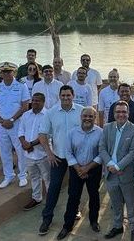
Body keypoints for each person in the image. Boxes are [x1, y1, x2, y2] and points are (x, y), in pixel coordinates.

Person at [37, 85, 84, 235]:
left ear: (73, 96)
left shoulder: (82, 111)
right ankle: (47, 218)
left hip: (77, 158)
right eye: (63, 95)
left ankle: (75, 210)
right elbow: (43, 135)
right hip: (58, 157)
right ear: (59, 96)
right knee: (54, 188)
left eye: (68, 95)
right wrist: (49, 154)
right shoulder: (51, 113)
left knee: (74, 188)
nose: (65, 98)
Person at [57, 107, 103, 239]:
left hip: (93, 169)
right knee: (73, 197)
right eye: (85, 116)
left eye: (91, 116)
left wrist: (87, 168)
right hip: (76, 169)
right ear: (81, 117)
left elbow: (101, 153)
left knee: (94, 195)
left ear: (95, 118)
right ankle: (67, 225)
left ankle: (93, 221)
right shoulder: (72, 133)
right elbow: (68, 152)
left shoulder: (100, 133)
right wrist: (79, 169)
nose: (87, 118)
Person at [99, 101, 134, 241]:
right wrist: (111, 164)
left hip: (126, 173)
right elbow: (102, 148)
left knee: (131, 203)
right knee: (116, 203)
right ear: (113, 113)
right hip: (111, 174)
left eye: (124, 112)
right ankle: (117, 226)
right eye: (118, 112)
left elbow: (132, 152)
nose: (121, 114)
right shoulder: (107, 128)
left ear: (128, 113)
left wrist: (118, 167)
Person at [0, 62, 31, 189]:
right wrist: (2, 121)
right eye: (4, 72)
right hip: (1, 125)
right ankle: (8, 175)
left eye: (9, 71)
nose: (7, 74)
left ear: (14, 72)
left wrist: (11, 119)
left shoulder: (21, 86)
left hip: (17, 123)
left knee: (20, 149)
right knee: (4, 150)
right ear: (1, 73)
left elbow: (25, 106)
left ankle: (22, 175)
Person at [17, 92, 50, 209]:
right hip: (29, 155)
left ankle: (51, 200)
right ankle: (36, 198)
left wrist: (30, 144)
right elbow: (20, 131)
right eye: (33, 100)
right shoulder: (26, 115)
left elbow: (46, 134)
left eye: (38, 100)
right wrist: (23, 143)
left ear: (43, 102)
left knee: (47, 178)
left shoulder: (48, 115)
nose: (34, 102)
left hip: (43, 154)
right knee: (34, 177)